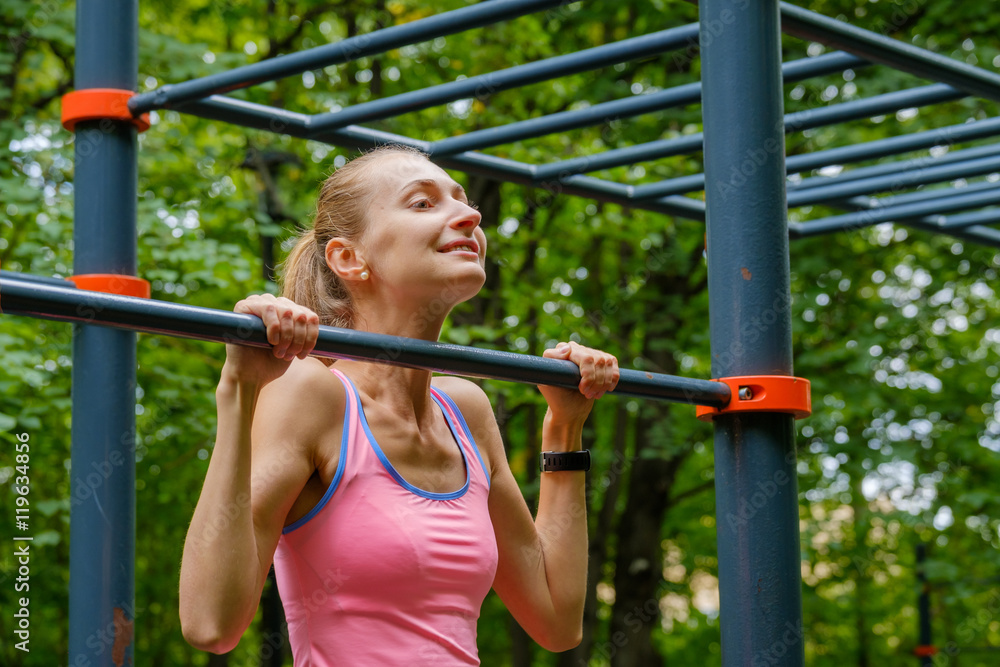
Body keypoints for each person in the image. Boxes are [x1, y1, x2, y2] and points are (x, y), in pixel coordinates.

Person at [179, 145, 620, 665]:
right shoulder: (312, 395)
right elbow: (210, 625)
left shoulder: (465, 409)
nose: (471, 214)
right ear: (349, 258)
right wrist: (240, 388)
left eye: (462, 199)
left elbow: (556, 620)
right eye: (422, 203)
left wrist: (565, 427)